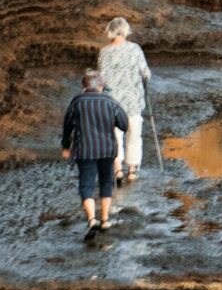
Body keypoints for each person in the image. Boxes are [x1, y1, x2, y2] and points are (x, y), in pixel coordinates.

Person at [60, 68, 130, 234]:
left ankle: (92, 219)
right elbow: (124, 124)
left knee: (86, 183)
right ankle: (105, 220)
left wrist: (65, 146)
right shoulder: (110, 101)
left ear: (83, 86)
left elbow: (67, 126)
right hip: (107, 149)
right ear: (101, 86)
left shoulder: (77, 101)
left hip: (84, 150)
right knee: (106, 182)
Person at [97, 16, 153, 183]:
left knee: (114, 136)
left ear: (111, 31)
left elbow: (102, 78)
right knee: (134, 136)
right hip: (133, 101)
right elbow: (145, 73)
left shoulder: (104, 52)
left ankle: (118, 170)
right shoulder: (135, 49)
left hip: (112, 103)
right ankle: (133, 171)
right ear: (125, 30)